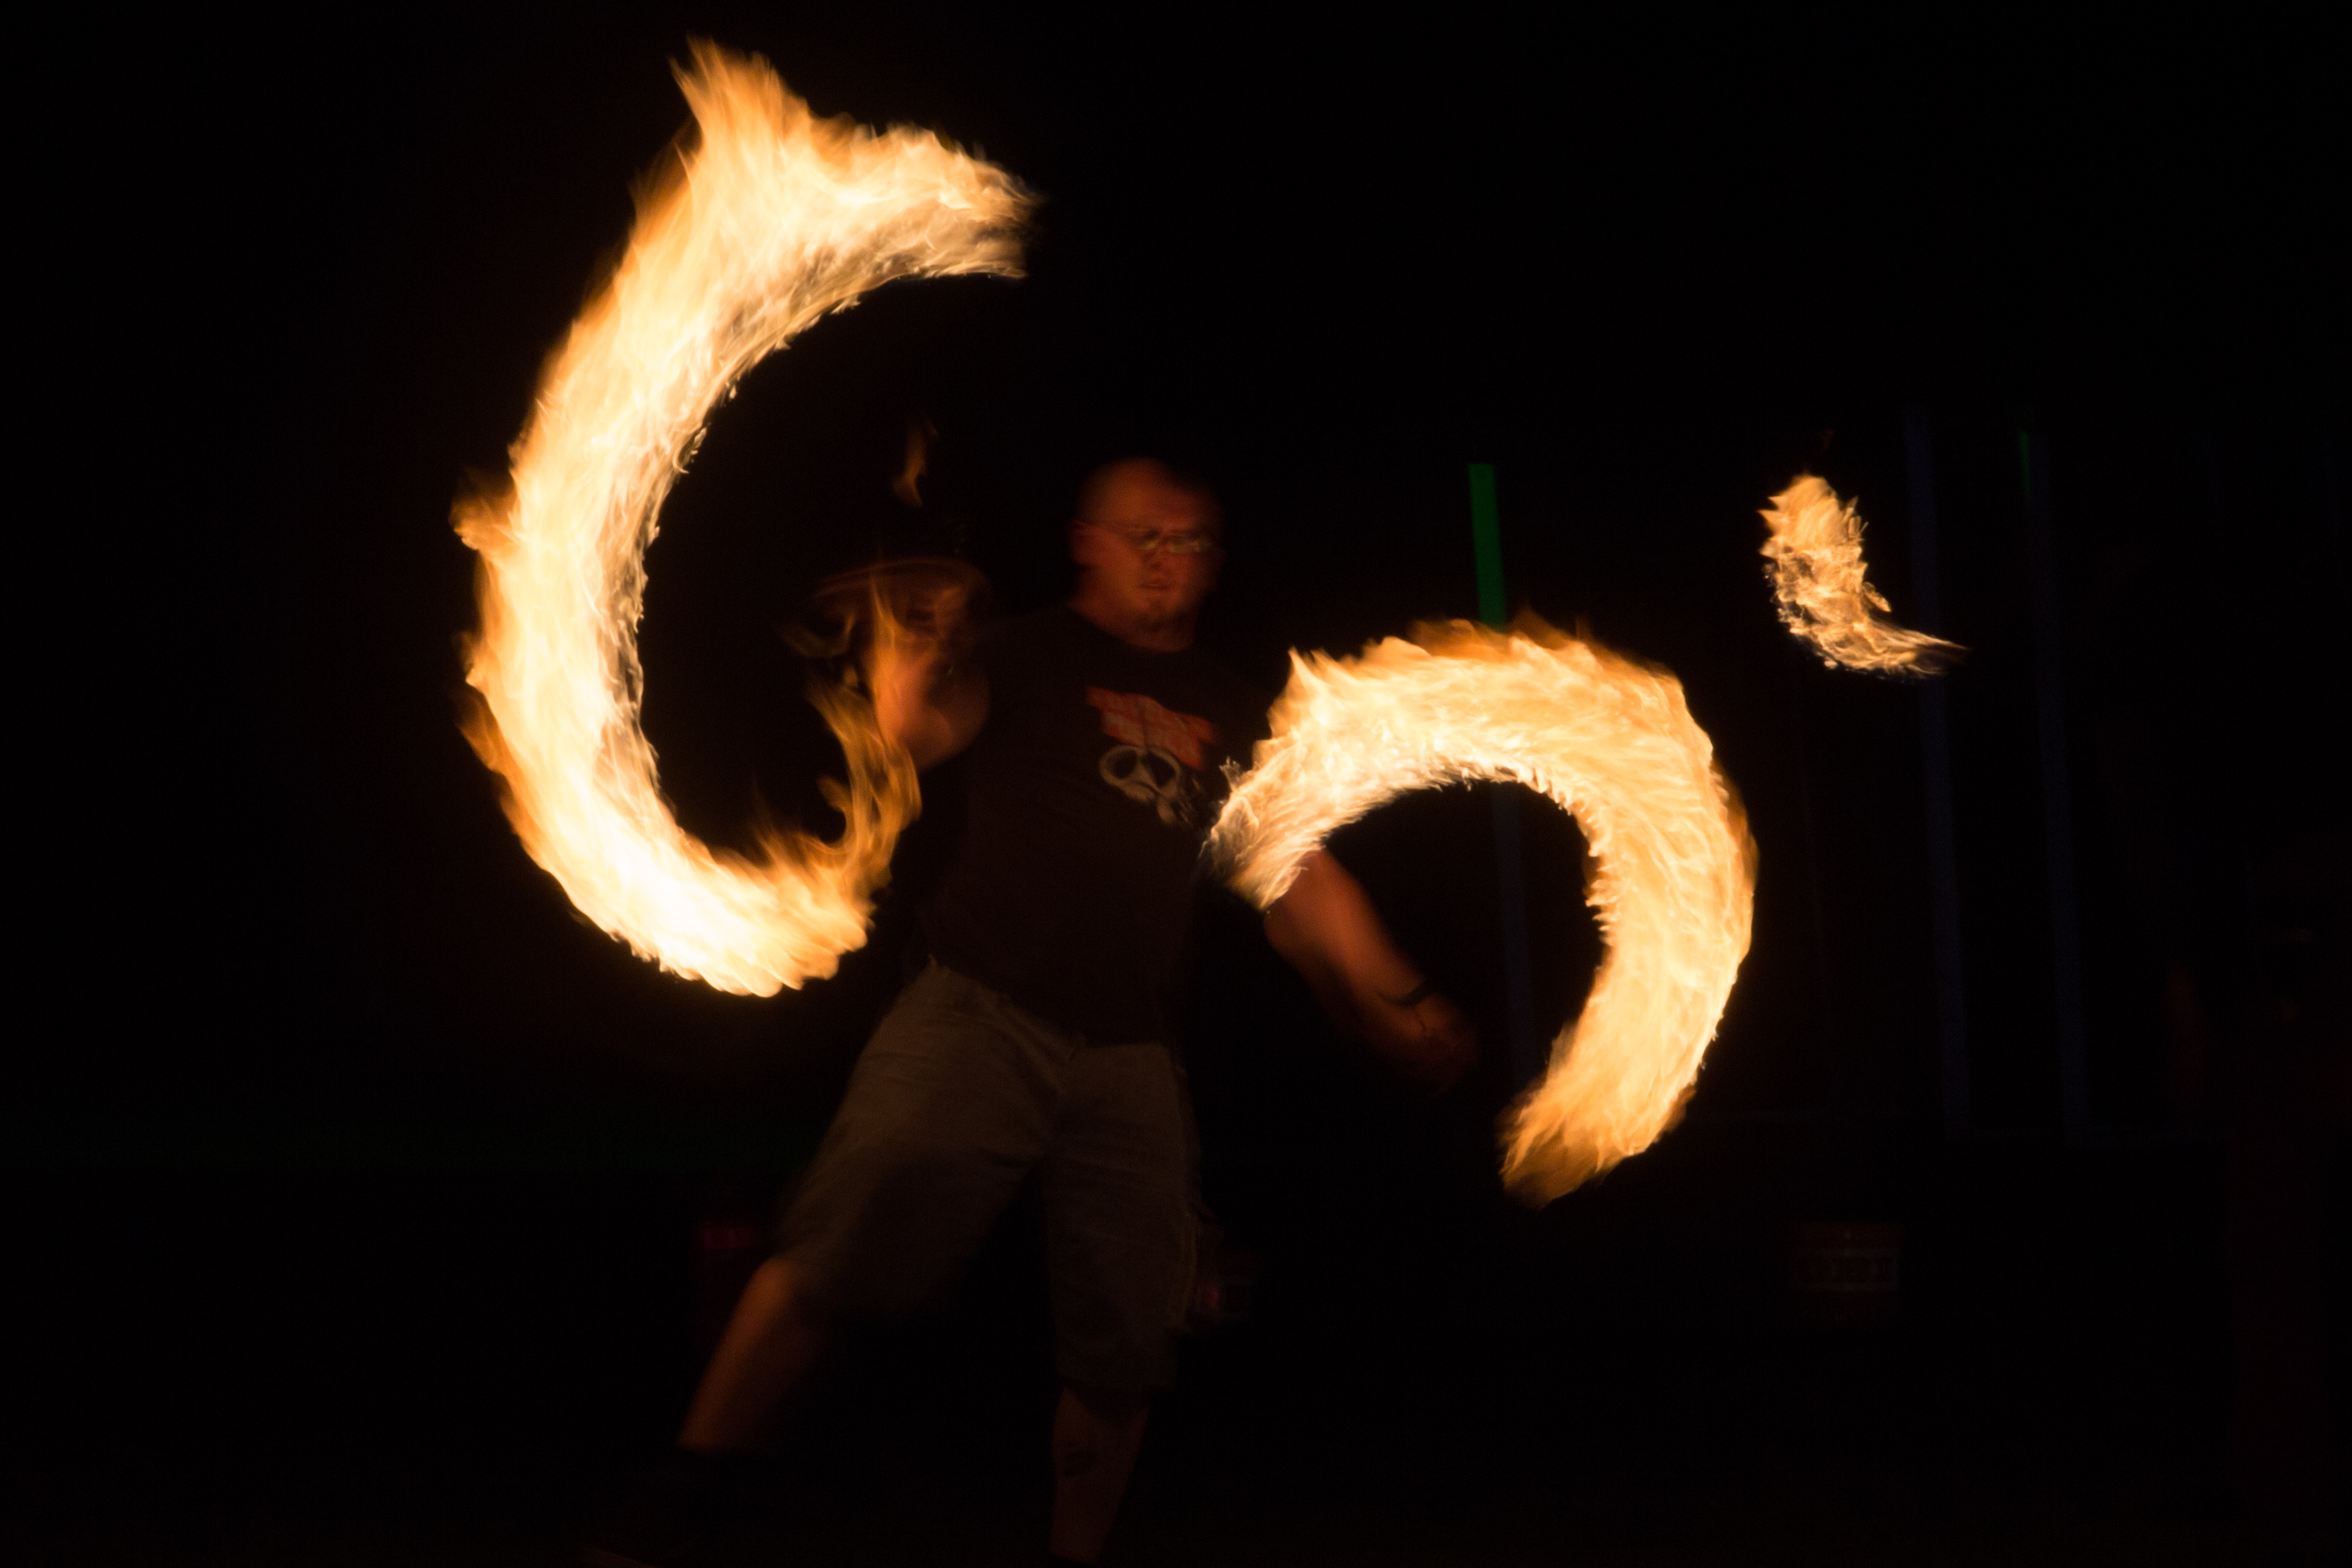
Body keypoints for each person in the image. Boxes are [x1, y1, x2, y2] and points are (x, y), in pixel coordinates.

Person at [589, 459, 1475, 1567]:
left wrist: (1400, 998)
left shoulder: (1232, 709)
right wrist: (908, 641)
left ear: (1215, 563)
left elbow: (1301, 886)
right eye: (1145, 536)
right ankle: (691, 1486)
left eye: (1191, 541)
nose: (1167, 559)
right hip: (979, 1011)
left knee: (1130, 1339)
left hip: (1131, 1051)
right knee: (839, 1245)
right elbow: (917, 731)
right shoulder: (1026, 654)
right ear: (1087, 543)